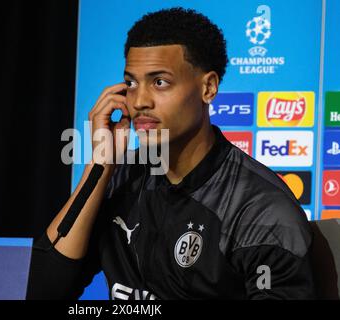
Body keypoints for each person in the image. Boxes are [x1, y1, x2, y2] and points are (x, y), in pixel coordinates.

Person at [27, 7, 315, 300]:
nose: (139, 101)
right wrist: (100, 165)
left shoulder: (261, 209)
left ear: (208, 87)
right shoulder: (120, 180)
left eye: (159, 82)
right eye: (130, 83)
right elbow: (38, 291)